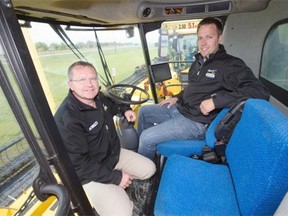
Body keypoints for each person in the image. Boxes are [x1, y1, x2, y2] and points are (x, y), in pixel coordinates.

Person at [137, 17, 270, 160]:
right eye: (200, 38)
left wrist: (215, 102)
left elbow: (259, 91)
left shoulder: (230, 65)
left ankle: (144, 177)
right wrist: (178, 97)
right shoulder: (198, 62)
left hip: (196, 122)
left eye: (209, 37)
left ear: (220, 38)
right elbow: (192, 88)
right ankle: (143, 155)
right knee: (143, 111)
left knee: (147, 138)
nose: (203, 43)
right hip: (181, 109)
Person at [54, 61, 156, 216]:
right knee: (123, 214)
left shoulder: (99, 97)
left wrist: (126, 109)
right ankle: (115, 188)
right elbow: (79, 165)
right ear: (71, 84)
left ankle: (121, 184)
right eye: (82, 80)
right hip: (91, 173)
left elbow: (115, 103)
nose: (89, 84)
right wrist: (116, 177)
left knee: (150, 169)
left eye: (93, 79)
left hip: (113, 155)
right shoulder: (67, 119)